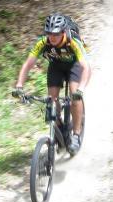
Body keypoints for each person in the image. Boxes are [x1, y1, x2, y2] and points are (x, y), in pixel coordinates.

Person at [13, 12, 90, 153]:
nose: (52, 37)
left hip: (75, 66)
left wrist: (81, 89)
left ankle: (76, 135)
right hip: (56, 66)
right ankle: (60, 129)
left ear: (63, 32)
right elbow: (27, 64)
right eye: (49, 34)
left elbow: (86, 67)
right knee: (51, 101)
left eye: (56, 34)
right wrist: (19, 85)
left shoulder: (73, 41)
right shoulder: (43, 41)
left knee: (74, 95)